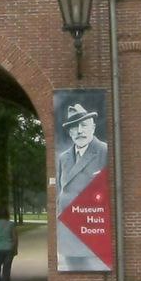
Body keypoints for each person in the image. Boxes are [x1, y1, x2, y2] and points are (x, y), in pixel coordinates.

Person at [56, 103, 109, 271]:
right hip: (68, 233)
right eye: (74, 127)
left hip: (92, 232)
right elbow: (60, 190)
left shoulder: (104, 152)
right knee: (72, 270)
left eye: (84, 125)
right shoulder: (63, 158)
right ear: (69, 132)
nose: (79, 131)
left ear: (93, 127)